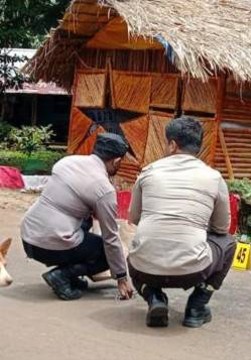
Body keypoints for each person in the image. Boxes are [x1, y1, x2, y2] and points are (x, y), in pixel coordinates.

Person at [127, 116, 236, 328]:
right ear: (198, 146)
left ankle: (154, 298)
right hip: (194, 270)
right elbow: (221, 228)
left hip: (146, 269)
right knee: (229, 244)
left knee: (134, 249)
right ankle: (196, 307)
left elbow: (134, 218)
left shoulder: (148, 172)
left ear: (172, 145)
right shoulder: (214, 178)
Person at [21, 133, 134, 301]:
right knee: (108, 253)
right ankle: (62, 275)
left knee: (85, 220)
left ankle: (71, 275)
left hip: (28, 236)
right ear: (116, 161)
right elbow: (111, 238)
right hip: (49, 243)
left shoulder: (66, 162)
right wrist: (121, 277)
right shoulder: (103, 189)